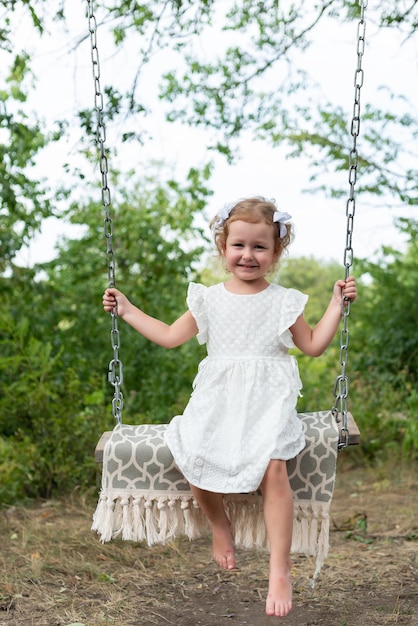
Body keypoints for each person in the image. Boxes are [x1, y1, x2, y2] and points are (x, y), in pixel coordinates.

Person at [102, 196, 357, 618]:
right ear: (223, 248)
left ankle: (279, 569)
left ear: (275, 253)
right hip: (218, 398)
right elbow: (168, 336)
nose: (248, 255)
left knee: (274, 466)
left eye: (260, 246)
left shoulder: (283, 300)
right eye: (239, 245)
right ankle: (220, 526)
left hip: (267, 401)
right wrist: (127, 311)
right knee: (192, 454)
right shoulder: (209, 300)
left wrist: (336, 305)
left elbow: (312, 346)